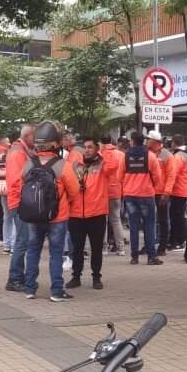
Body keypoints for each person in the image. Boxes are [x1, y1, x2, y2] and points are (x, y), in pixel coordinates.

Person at [21, 122, 80, 301]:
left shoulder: (29, 164)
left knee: (33, 251)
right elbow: (74, 191)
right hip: (57, 216)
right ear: (56, 143)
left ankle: (29, 288)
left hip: (33, 216)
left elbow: (22, 184)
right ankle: (56, 291)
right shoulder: (63, 165)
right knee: (56, 254)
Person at [68, 137, 109, 290]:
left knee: (96, 249)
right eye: (85, 147)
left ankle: (96, 277)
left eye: (90, 147)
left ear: (97, 148)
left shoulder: (103, 164)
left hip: (96, 213)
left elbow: (114, 167)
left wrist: (104, 151)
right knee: (77, 249)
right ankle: (76, 277)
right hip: (76, 214)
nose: (87, 150)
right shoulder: (75, 165)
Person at [122, 130, 166, 265]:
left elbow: (119, 176)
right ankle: (151, 256)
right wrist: (152, 186)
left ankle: (134, 257)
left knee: (133, 226)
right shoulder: (150, 156)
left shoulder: (125, 156)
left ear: (132, 141)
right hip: (146, 194)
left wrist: (127, 186)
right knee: (149, 225)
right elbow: (157, 177)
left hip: (130, 195)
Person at [5, 124, 36, 288]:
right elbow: (18, 180)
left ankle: (16, 277)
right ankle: (15, 278)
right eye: (35, 136)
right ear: (28, 136)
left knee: (22, 240)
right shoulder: (18, 152)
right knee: (22, 241)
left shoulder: (20, 150)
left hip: (19, 200)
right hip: (20, 202)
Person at [164, 135, 187, 250]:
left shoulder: (178, 156)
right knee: (179, 216)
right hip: (184, 188)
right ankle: (178, 240)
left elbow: (173, 173)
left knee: (176, 216)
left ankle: (177, 241)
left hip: (178, 189)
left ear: (174, 143)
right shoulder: (186, 154)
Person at [147, 130, 172, 255]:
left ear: (155, 141)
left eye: (148, 139)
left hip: (161, 193)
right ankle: (148, 245)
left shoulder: (167, 155)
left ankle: (162, 247)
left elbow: (171, 176)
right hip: (148, 191)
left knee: (163, 220)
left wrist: (166, 193)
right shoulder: (147, 153)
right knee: (148, 220)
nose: (146, 141)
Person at [99, 135, 126, 254]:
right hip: (117, 190)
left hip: (102, 191)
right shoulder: (121, 155)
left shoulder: (100, 155)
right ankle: (121, 248)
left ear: (101, 143)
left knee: (103, 221)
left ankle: (104, 248)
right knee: (116, 219)